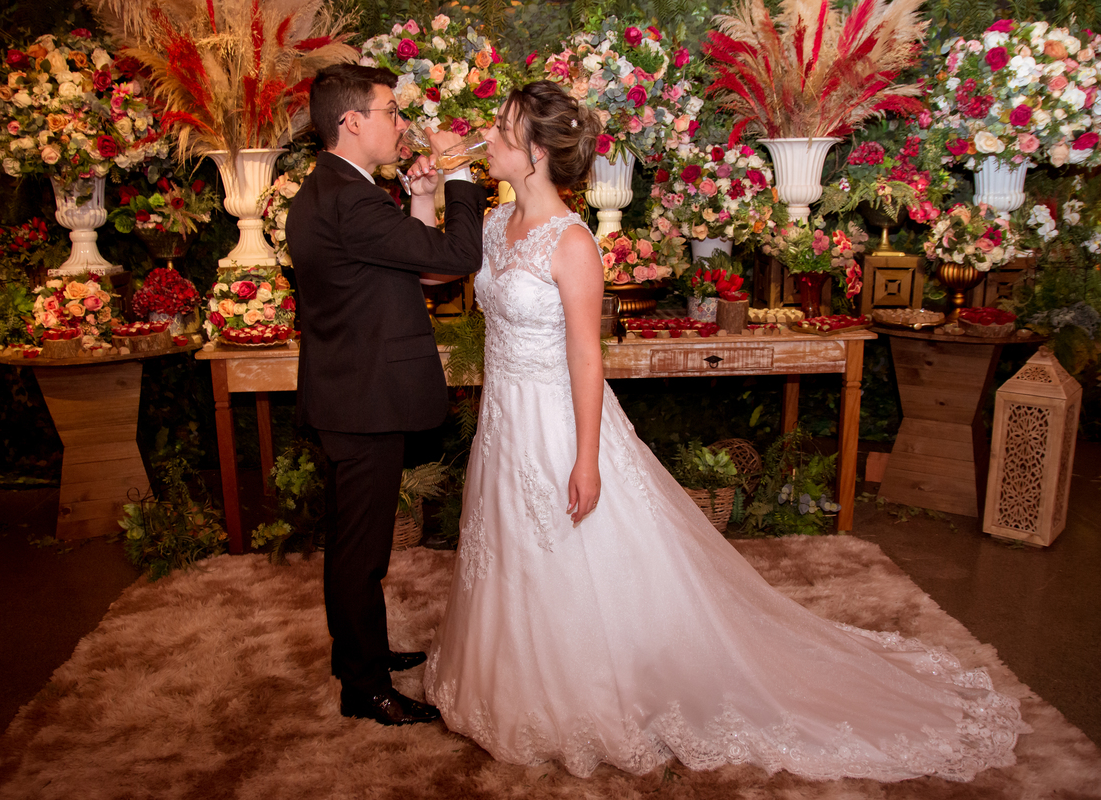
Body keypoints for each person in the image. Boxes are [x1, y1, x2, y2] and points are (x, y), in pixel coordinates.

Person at [422, 80, 1029, 781]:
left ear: (533, 152)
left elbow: (587, 358)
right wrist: (429, 186)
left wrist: (586, 459)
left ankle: (593, 686)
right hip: (504, 422)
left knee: (569, 548)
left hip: (556, 422)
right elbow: (436, 269)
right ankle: (511, 676)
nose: (486, 138)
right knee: (510, 550)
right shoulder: (494, 226)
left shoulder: (573, 242)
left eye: (499, 130)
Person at [286, 63, 488, 727]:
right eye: (391, 112)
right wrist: (459, 176)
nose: (400, 124)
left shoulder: (332, 191)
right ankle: (363, 687)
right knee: (360, 553)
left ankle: (361, 656)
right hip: (363, 400)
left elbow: (411, 269)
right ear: (352, 122)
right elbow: (457, 259)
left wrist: (420, 201)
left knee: (354, 545)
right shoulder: (352, 201)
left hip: (349, 391)